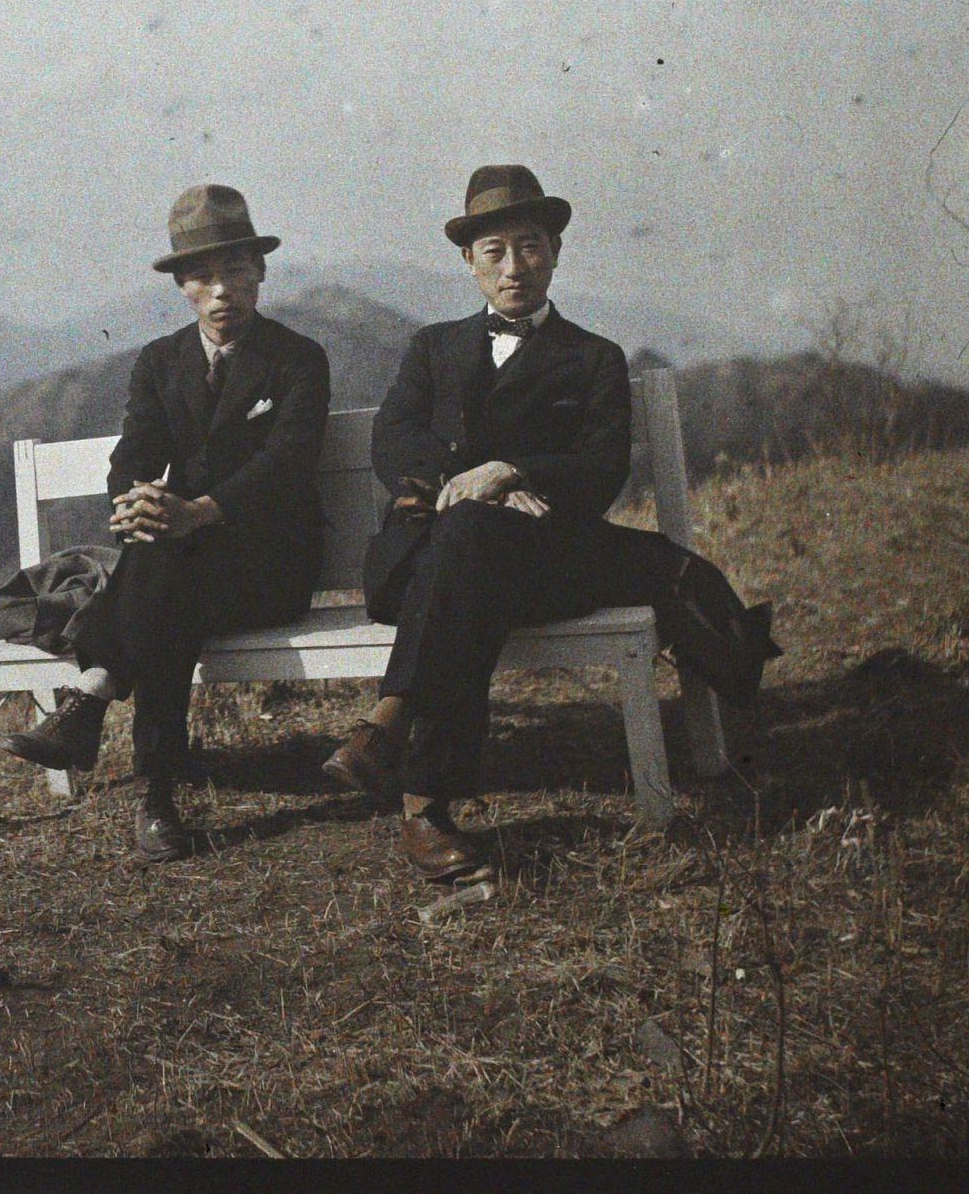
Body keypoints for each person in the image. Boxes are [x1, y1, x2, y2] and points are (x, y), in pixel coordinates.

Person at [322, 165, 778, 882]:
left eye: (530, 246)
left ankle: (408, 767)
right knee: (466, 544)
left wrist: (513, 471)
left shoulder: (593, 358)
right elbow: (394, 440)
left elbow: (600, 469)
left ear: (556, 251)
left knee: (468, 552)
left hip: (541, 564)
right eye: (495, 251)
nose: (514, 267)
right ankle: (415, 785)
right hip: (420, 560)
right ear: (468, 261)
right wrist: (475, 485)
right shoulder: (433, 348)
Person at [0, 184, 331, 861]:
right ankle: (155, 789)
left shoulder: (298, 359)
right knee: (162, 573)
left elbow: (285, 462)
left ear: (260, 271)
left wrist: (198, 511)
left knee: (160, 574)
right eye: (203, 275)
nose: (221, 290)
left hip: (270, 564)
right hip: (179, 565)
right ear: (182, 285)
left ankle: (97, 698)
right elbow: (134, 454)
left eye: (235, 269)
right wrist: (133, 503)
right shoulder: (161, 362)